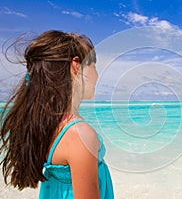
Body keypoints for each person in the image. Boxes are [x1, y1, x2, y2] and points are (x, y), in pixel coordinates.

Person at [0, 30, 114, 199]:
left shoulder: (48, 124)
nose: (97, 75)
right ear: (76, 66)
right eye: (94, 66)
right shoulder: (80, 135)